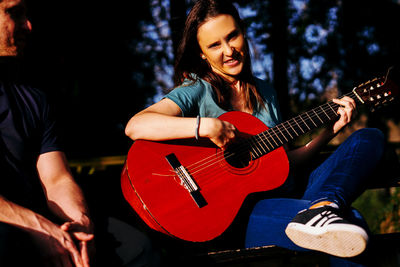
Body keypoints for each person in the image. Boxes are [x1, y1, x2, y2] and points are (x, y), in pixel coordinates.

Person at [125, 0, 384, 265]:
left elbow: (280, 164)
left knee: (369, 138)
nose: (228, 50)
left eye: (232, 36)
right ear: (202, 53)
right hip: (239, 218)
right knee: (351, 222)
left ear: (242, 32)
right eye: (215, 45)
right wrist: (206, 125)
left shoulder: (265, 92)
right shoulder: (197, 90)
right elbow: (136, 125)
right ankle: (321, 214)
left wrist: (328, 133)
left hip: (285, 195)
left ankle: (323, 207)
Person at [0, 0, 95, 266]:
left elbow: (56, 179)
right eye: (14, 14)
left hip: (42, 226)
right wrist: (40, 228)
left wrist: (79, 224)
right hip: (14, 232)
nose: (28, 26)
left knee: (137, 246)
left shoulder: (34, 100)